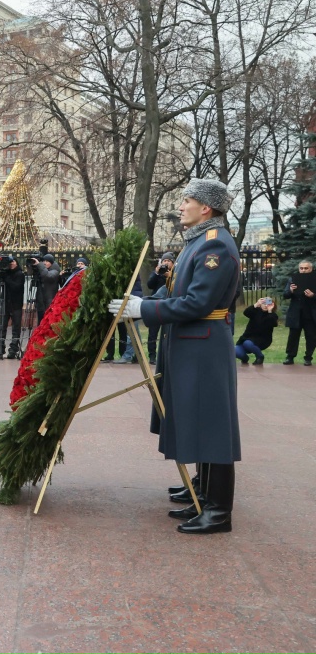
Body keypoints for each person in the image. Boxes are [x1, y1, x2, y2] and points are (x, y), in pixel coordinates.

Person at [110, 177, 241, 534]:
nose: (181, 206)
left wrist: (143, 311)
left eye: (187, 200)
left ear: (206, 208)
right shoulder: (198, 243)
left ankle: (218, 510)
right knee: (196, 417)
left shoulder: (214, 247)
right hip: (190, 342)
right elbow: (176, 294)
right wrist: (142, 304)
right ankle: (203, 490)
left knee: (212, 423)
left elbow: (198, 303)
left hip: (203, 344)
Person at [283, 259, 315, 365]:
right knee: (293, 335)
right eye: (301, 268)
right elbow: (285, 294)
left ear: (311, 269)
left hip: (311, 313)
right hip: (296, 312)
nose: (303, 270)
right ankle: (290, 356)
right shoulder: (293, 278)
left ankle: (308, 357)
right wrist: (291, 290)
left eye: (306, 268)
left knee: (311, 336)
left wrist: (313, 295)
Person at [145, 252, 175, 365]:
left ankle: (166, 355)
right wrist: (157, 273)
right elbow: (149, 285)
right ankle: (152, 356)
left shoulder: (176, 273)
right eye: (164, 261)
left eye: (168, 261)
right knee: (153, 332)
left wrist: (170, 275)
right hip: (156, 304)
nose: (166, 263)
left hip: (169, 305)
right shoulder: (157, 273)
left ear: (173, 263)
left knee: (167, 331)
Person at [0, 255, 25, 359]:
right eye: (10, 262)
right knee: (1, 327)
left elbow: (16, 287)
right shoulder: (4, 272)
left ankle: (13, 350)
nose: (11, 264)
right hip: (4, 303)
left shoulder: (20, 274)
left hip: (16, 305)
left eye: (13, 261)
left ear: (17, 262)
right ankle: (0, 348)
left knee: (16, 328)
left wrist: (6, 278)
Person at [235, 298, 278, 365]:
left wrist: (270, 311)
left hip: (262, 339)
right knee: (235, 350)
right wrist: (256, 304)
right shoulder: (255, 311)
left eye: (268, 304)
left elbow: (273, 323)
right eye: (264, 303)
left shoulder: (272, 315)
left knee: (247, 343)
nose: (265, 305)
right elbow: (246, 313)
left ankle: (260, 356)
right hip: (247, 337)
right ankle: (245, 358)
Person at [30, 253, 60, 325]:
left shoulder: (55, 271)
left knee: (47, 323)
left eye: (47, 261)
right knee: (40, 323)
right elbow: (29, 273)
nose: (44, 263)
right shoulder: (42, 270)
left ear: (51, 263)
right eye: (43, 261)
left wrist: (39, 265)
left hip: (49, 302)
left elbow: (47, 276)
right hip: (40, 302)